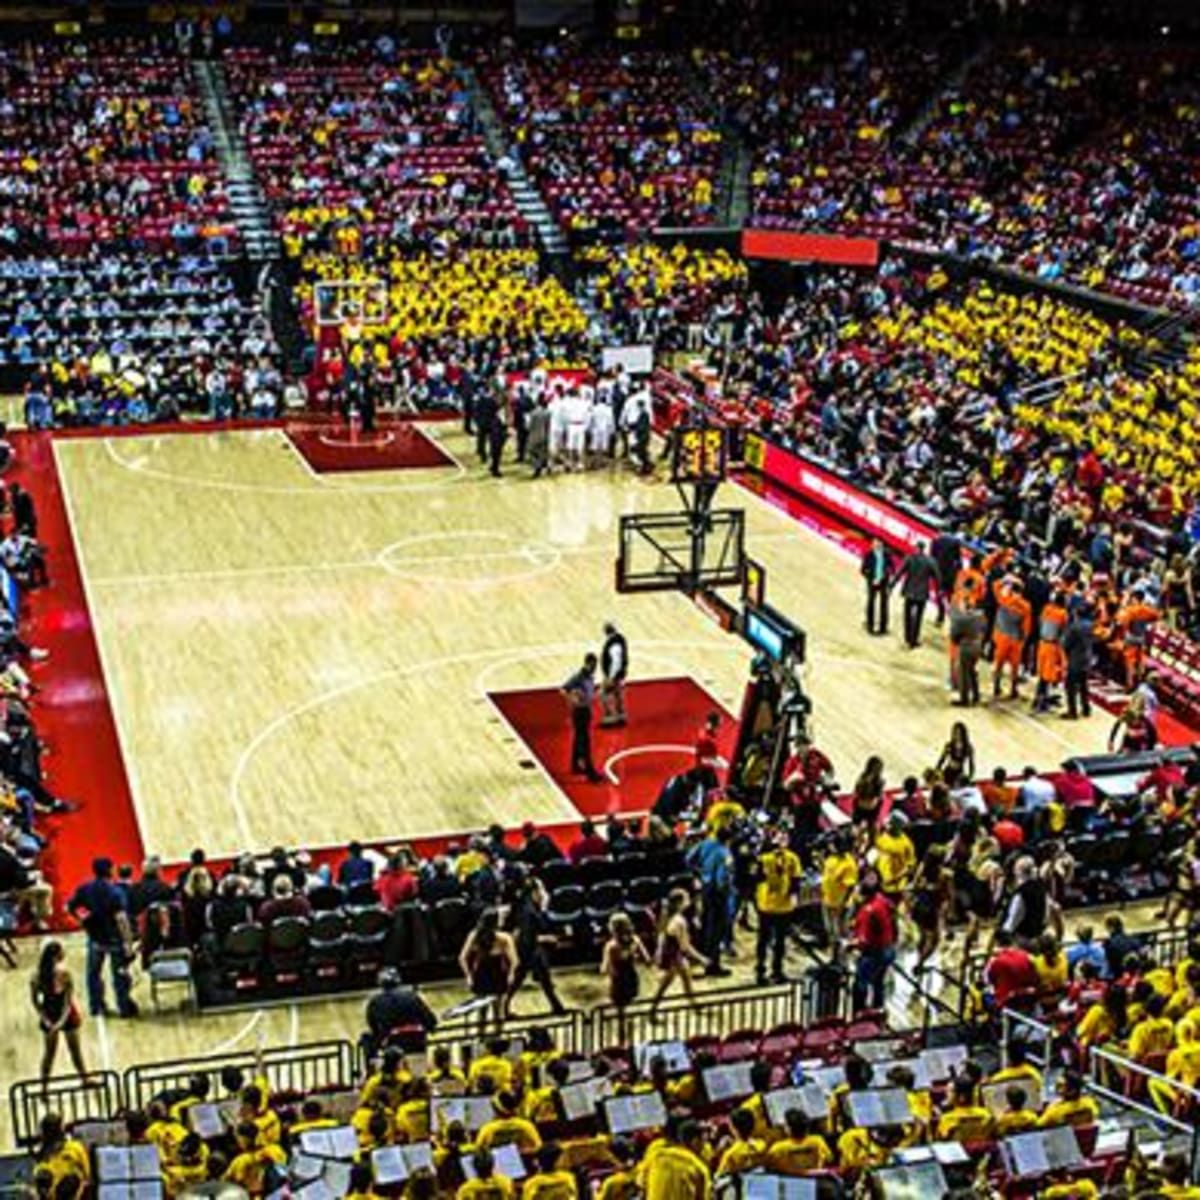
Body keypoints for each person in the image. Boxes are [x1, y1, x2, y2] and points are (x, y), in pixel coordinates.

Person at [66, 857, 138, 1019]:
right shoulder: (115, 892)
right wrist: (128, 942)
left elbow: (70, 907)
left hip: (95, 938)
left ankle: (96, 1006)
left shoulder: (85, 888)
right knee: (119, 975)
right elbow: (122, 920)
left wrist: (83, 920)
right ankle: (124, 1007)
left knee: (93, 974)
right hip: (114, 940)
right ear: (110, 870)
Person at [31, 940, 88, 1094]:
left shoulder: (38, 975)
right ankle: (45, 1086)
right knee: (62, 1053)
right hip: (59, 1015)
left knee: (54, 1054)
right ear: (58, 955)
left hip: (58, 1014)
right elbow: (67, 1000)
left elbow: (38, 1002)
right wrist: (50, 1021)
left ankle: (83, 1079)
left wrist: (50, 1021)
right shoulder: (63, 974)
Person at [507, 875, 566, 1016]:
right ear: (534, 892)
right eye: (541, 889)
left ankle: (557, 1007)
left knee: (540, 981)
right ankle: (557, 1007)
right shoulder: (530, 911)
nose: (544, 893)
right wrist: (545, 939)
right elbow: (532, 933)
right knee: (523, 980)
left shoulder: (528, 906)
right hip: (528, 950)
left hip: (530, 948)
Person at [649, 888, 710, 1019]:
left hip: (671, 953)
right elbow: (685, 946)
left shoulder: (667, 915)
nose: (689, 900)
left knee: (686, 980)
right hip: (674, 955)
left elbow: (661, 935)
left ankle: (695, 1005)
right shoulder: (679, 921)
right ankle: (652, 1010)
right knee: (666, 984)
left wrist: (659, 951)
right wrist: (701, 958)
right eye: (686, 898)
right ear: (680, 903)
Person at [755, 832, 802, 985]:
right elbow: (796, 881)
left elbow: (755, 878)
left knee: (768, 940)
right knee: (773, 940)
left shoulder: (764, 858)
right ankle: (772, 970)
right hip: (776, 905)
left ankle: (765, 970)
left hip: (772, 905)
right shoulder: (790, 858)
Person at [687, 825, 734, 977]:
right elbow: (722, 879)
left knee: (706, 924)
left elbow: (688, 859)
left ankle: (704, 959)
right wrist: (726, 893)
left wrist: (699, 874)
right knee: (717, 930)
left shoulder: (705, 843)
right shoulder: (725, 854)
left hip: (705, 888)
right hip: (718, 893)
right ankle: (713, 965)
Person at [362, 968, 438, 1059]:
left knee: (366, 1038)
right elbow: (430, 1020)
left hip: (393, 1043)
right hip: (417, 1041)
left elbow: (373, 1026)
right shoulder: (413, 996)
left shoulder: (375, 1002)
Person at [459, 908, 518, 1023]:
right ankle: (498, 1038)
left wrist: (468, 976)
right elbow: (515, 960)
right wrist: (511, 974)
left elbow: (462, 958)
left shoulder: (474, 935)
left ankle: (481, 1037)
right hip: (498, 974)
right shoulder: (505, 938)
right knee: (498, 1012)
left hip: (481, 974)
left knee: (482, 1012)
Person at [601, 912, 651, 1045]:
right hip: (631, 977)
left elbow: (605, 969)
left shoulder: (611, 946)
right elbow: (647, 959)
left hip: (619, 981)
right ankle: (632, 1039)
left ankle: (622, 1042)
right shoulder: (635, 940)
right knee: (629, 1008)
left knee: (620, 1013)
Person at [850, 870, 896, 1012]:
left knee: (860, 984)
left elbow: (863, 941)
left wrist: (849, 945)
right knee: (878, 982)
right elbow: (893, 918)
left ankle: (859, 1016)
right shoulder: (882, 899)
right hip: (889, 949)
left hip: (873, 953)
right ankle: (878, 1010)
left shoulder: (868, 911)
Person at [562, 654, 601, 782]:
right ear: (588, 663)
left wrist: (595, 691)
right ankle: (590, 773)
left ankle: (575, 766)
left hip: (586, 710)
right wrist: (572, 701)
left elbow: (589, 691)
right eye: (593, 665)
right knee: (585, 742)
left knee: (578, 738)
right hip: (580, 711)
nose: (595, 667)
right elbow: (563, 689)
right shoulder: (578, 677)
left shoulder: (589, 677)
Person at [892, 541, 937, 648]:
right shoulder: (930, 561)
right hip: (922, 593)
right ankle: (914, 640)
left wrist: (892, 584)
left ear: (917, 548)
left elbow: (900, 572)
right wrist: (939, 590)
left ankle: (907, 637)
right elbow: (937, 576)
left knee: (907, 615)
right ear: (924, 549)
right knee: (918, 618)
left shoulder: (909, 558)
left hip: (909, 591)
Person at [1062, 605, 1094, 719]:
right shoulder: (1091, 625)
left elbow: (1066, 644)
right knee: (1084, 685)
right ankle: (1086, 709)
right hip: (1087, 658)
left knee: (1070, 687)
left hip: (1075, 659)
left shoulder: (1074, 627)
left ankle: (1073, 711)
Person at [599, 621, 629, 728]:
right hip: (620, 674)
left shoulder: (613, 643)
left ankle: (609, 717)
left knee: (602, 694)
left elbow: (616, 661)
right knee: (618, 694)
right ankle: (621, 716)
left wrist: (610, 677)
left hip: (614, 675)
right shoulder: (620, 639)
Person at [860, 537, 891, 635]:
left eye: (877, 543)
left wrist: (886, 576)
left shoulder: (887, 554)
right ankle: (870, 626)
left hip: (883, 583)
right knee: (871, 604)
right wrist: (870, 578)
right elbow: (863, 570)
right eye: (874, 543)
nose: (875, 545)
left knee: (884, 605)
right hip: (872, 582)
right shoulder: (868, 555)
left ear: (881, 544)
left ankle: (883, 627)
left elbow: (891, 568)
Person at [936, 721, 976, 788]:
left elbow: (971, 764)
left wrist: (970, 776)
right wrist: (938, 771)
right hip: (948, 772)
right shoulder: (949, 745)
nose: (957, 735)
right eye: (956, 733)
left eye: (959, 733)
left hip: (959, 774)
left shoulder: (968, 747)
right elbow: (941, 760)